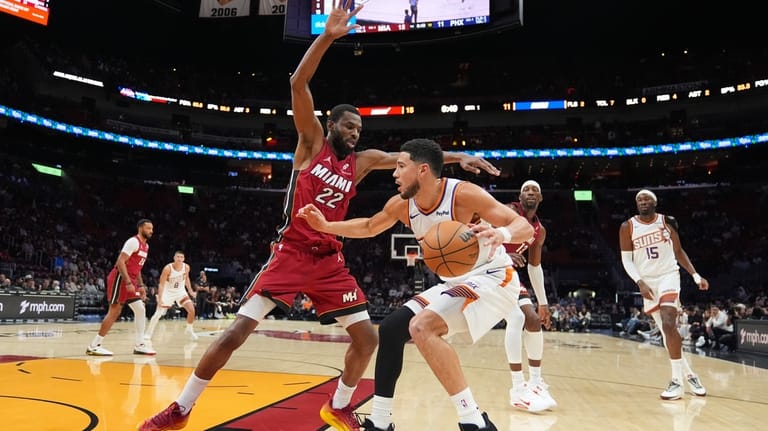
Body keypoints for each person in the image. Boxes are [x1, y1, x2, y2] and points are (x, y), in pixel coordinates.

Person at [138, 2, 499, 430]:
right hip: (290, 251)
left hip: (330, 257)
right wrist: (327, 36)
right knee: (237, 332)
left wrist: (458, 157)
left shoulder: (362, 162)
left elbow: (411, 159)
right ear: (331, 125)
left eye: (359, 130)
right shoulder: (310, 143)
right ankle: (181, 407)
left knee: (368, 337)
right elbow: (297, 82)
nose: (355, 133)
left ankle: (341, 405)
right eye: (349, 127)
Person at [298, 138, 535, 431]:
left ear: (422, 170)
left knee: (422, 327)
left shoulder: (461, 194)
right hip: (457, 281)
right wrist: (326, 227)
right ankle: (380, 422)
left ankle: (473, 421)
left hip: (495, 277)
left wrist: (501, 234)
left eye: (400, 166)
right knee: (391, 329)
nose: (394, 173)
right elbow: (370, 226)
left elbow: (522, 227)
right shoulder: (401, 205)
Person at [619, 189, 709, 400]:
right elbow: (626, 260)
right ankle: (690, 375)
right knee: (666, 332)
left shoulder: (667, 222)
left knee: (669, 324)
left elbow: (678, 252)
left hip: (668, 276)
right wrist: (639, 282)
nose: (642, 201)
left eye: (646, 199)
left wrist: (696, 276)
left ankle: (676, 382)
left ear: (654, 203)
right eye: (639, 199)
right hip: (647, 282)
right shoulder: (627, 226)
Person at [501, 180, 557, 412]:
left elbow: (534, 267)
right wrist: (503, 253)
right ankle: (517, 388)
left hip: (507, 275)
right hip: (487, 269)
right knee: (516, 318)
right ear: (519, 196)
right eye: (526, 189)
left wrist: (543, 303)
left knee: (533, 320)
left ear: (541, 198)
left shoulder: (539, 230)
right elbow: (484, 234)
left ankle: (535, 383)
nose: (530, 192)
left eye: (535, 189)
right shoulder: (509, 211)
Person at [86, 219, 156, 356]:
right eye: (148, 228)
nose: (151, 231)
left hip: (131, 280)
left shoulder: (146, 247)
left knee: (140, 309)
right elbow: (120, 262)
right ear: (141, 228)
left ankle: (140, 344)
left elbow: (138, 268)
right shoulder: (133, 242)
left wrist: (140, 285)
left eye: (152, 229)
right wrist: (128, 282)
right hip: (120, 278)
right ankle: (94, 345)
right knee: (115, 311)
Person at [144, 251, 198, 342]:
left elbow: (187, 279)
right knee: (158, 314)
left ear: (184, 259)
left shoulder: (186, 267)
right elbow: (161, 284)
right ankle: (148, 334)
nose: (179, 259)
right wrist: (160, 298)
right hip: (167, 292)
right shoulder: (168, 268)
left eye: (181, 257)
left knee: (191, 310)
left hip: (180, 291)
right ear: (174, 258)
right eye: (178, 257)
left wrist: (190, 291)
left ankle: (189, 329)